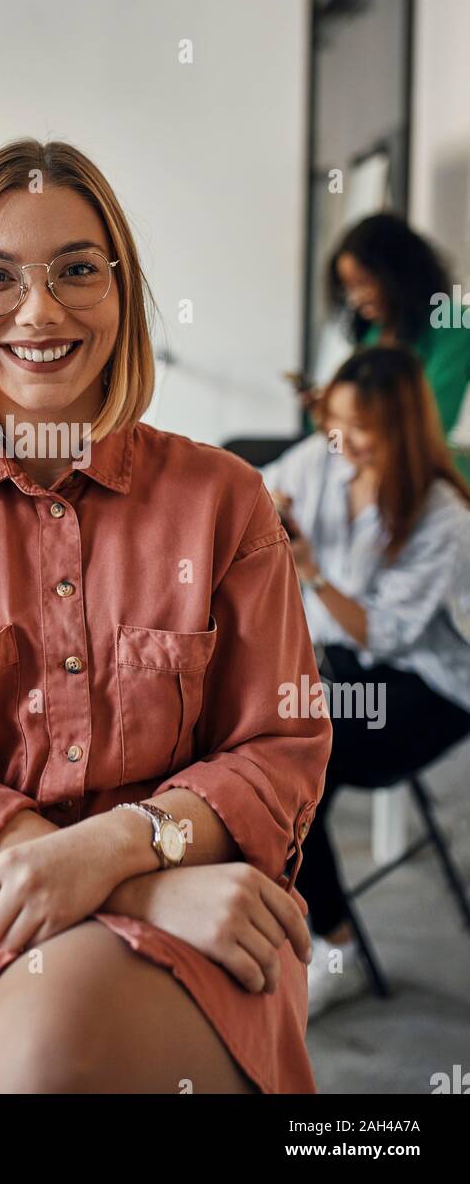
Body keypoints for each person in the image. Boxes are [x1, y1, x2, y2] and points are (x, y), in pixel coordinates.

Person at [0, 138, 331, 1096]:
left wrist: (115, 847)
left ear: (123, 291)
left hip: (204, 899)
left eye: (77, 271)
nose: (40, 310)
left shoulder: (226, 501)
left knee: (51, 1059)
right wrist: (143, 885)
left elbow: (278, 749)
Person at [262, 346, 470, 1020]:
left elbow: (382, 635)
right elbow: (260, 486)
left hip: (430, 686)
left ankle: (336, 948)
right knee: (260, 740)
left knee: (297, 761)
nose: (339, 439)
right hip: (349, 663)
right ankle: (302, 921)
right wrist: (268, 505)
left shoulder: (444, 517)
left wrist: (311, 570)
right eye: (334, 421)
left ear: (402, 431)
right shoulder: (325, 456)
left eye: (359, 429)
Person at [325, 213, 470, 483]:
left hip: (436, 478)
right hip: (379, 474)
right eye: (349, 289)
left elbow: (433, 420)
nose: (356, 299)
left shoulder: (454, 324)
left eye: (364, 283)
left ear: (397, 274)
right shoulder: (375, 334)